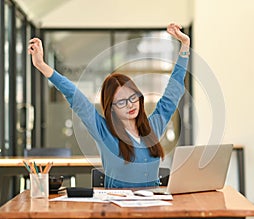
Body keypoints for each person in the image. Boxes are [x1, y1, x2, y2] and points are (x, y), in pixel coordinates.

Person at [28, 23, 190, 188]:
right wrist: (42, 65)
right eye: (121, 101)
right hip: (118, 209)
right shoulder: (103, 131)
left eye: (133, 97)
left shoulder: (153, 127)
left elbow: (173, 92)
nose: (130, 105)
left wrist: (184, 46)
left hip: (153, 206)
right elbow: (75, 97)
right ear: (111, 108)